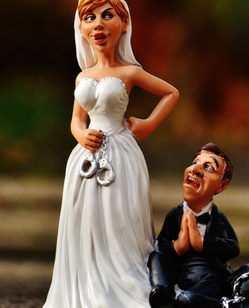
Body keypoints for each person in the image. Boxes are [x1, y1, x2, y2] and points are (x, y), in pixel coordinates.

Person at [44, 0, 179, 307]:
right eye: (90, 17)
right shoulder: (83, 77)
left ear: (125, 23)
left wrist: (147, 125)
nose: (98, 25)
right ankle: (87, 280)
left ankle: (123, 279)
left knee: (119, 216)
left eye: (108, 15)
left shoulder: (130, 72)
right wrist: (79, 133)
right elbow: (77, 118)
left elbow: (171, 93)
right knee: (86, 219)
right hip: (85, 160)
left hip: (119, 154)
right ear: (81, 27)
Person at [148, 142, 239, 308]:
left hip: (208, 276)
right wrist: (177, 246)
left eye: (208, 167)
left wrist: (202, 243)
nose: (195, 170)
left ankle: (220, 304)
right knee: (156, 257)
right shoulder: (174, 216)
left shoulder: (217, 219)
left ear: (222, 185)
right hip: (179, 272)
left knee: (190, 300)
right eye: (195, 162)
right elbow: (161, 246)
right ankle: (163, 292)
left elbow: (233, 247)